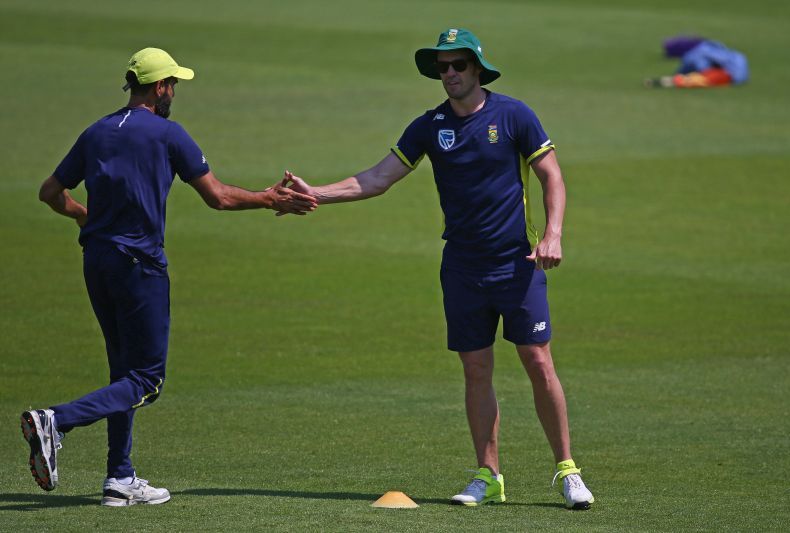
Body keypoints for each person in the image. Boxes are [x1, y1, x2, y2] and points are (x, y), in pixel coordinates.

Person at [283, 28, 594, 509]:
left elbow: (550, 174)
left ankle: (568, 470)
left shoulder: (514, 115)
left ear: (476, 67)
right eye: (441, 67)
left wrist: (553, 233)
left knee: (538, 362)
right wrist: (315, 193)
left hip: (517, 264)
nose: (448, 73)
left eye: (457, 65)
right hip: (462, 268)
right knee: (476, 369)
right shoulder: (429, 126)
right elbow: (377, 178)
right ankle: (488, 475)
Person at [22, 47, 317, 507]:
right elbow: (217, 197)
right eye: (173, 84)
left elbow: (49, 192)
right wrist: (268, 199)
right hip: (139, 266)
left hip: (96, 262)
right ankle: (55, 421)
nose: (174, 92)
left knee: (123, 370)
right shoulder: (167, 134)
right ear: (160, 87)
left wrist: (83, 217)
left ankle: (119, 477)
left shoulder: (97, 131)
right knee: (146, 380)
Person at [644, 37, 748, 88]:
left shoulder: (694, 54)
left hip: (729, 74)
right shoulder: (709, 46)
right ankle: (669, 81)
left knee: (699, 79)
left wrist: (678, 75)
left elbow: (703, 69)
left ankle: (662, 82)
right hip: (738, 71)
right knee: (696, 78)